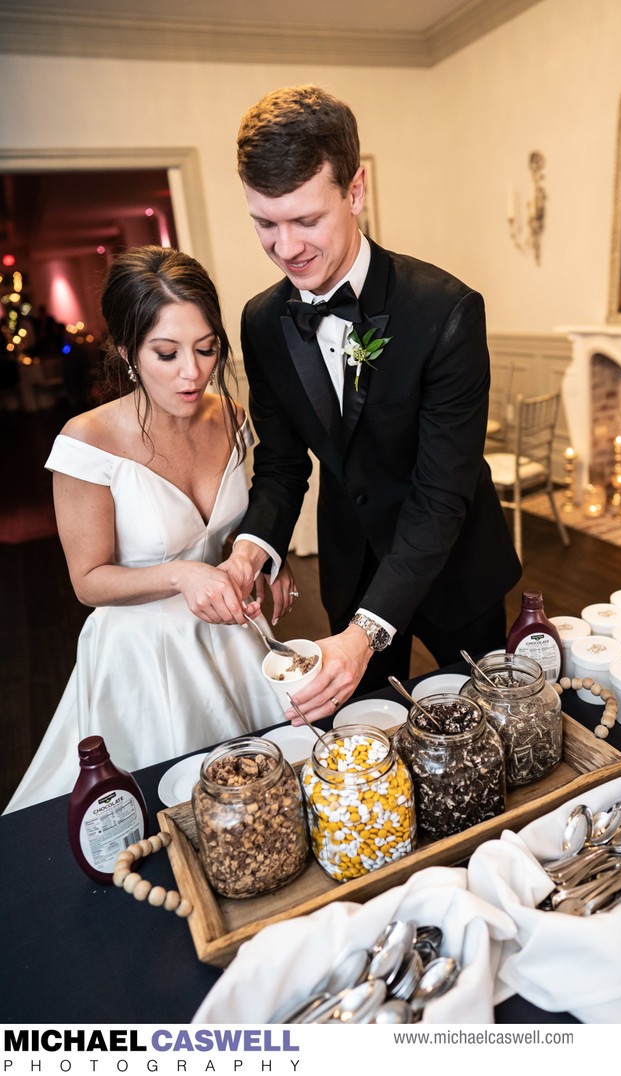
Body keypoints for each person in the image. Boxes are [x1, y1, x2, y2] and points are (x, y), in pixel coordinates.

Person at [225, 84, 522, 727]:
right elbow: (281, 464)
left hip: (456, 565)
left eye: (306, 220)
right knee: (367, 739)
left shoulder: (445, 311)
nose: (286, 247)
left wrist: (368, 632)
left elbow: (441, 493)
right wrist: (254, 547)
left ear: (355, 190)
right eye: (264, 224)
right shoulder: (261, 321)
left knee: (486, 728)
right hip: (352, 561)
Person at [5, 246, 294, 813]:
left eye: (206, 349)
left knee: (268, 800)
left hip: (232, 635)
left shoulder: (231, 416)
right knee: (178, 811)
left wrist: (264, 558)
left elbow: (260, 508)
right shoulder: (86, 442)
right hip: (145, 656)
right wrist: (182, 575)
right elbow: (88, 581)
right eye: (166, 353)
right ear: (125, 351)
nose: (193, 373)